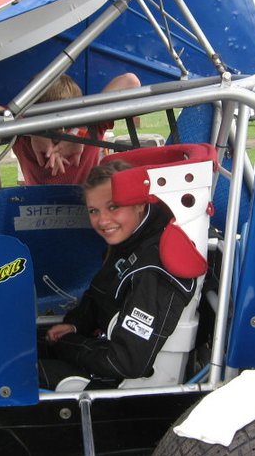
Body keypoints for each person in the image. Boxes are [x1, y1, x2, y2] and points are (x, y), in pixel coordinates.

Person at [38, 160, 197, 390]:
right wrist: (75, 326)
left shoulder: (154, 269)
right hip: (103, 349)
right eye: (94, 211)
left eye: (113, 207)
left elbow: (126, 362)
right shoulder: (131, 239)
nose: (102, 221)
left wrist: (68, 344)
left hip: (123, 382)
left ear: (140, 204)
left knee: (13, 375)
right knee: (20, 347)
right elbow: (101, 292)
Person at [0, 73, 140, 185]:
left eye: (65, 126)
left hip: (87, 207)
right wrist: (34, 130)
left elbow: (130, 81)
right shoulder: (22, 134)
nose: (58, 137)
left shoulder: (91, 126)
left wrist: (79, 131)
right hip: (38, 213)